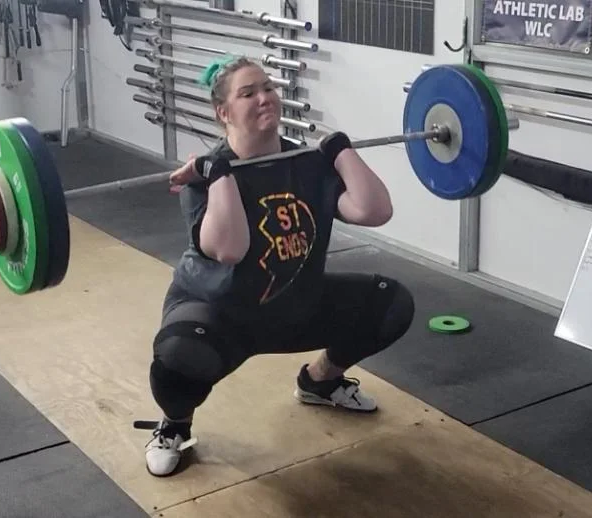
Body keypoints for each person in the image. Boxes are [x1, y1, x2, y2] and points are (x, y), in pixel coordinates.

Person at [141, 55, 416, 477]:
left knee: (391, 304)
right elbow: (230, 249)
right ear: (223, 112)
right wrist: (218, 173)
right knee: (180, 354)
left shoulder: (305, 164)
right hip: (221, 313)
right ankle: (176, 424)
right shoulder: (201, 178)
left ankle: (320, 382)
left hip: (295, 305)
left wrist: (340, 152)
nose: (265, 97)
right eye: (248, 93)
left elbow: (373, 210)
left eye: (268, 87)